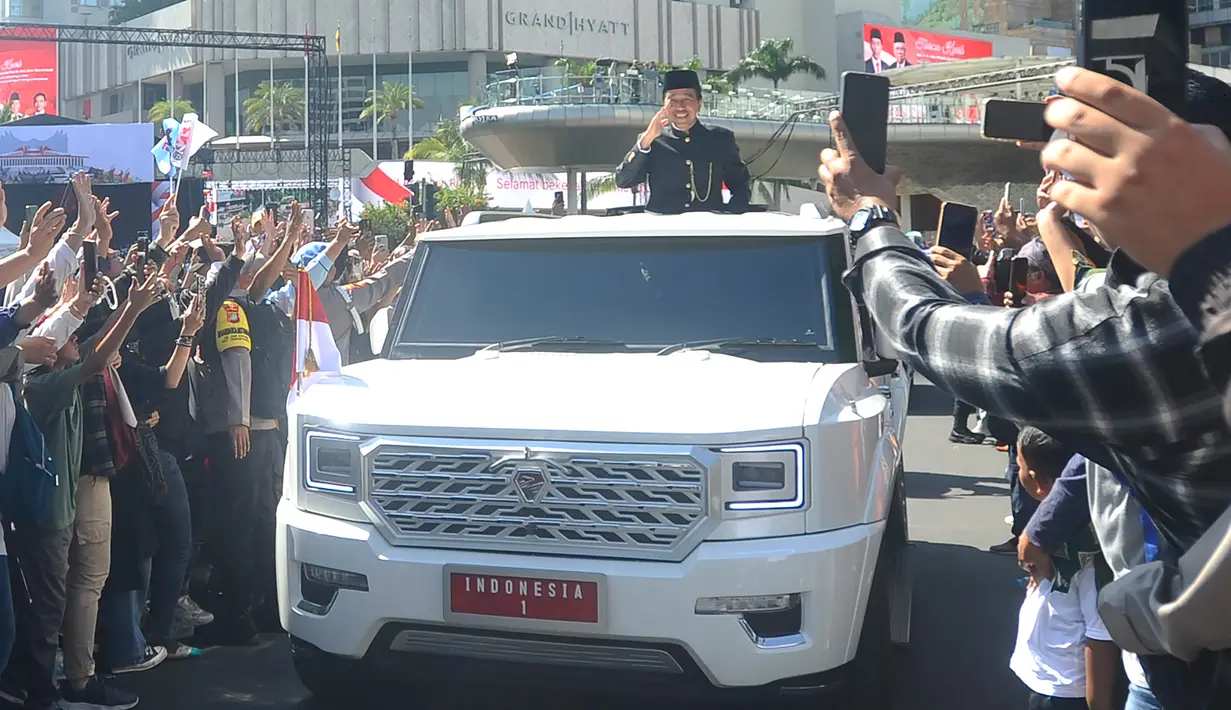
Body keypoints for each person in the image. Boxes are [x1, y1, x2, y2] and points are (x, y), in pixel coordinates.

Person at [817, 65, 1231, 708]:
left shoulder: (1141, 330)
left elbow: (921, 326)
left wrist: (869, 217)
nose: (1072, 181)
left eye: (1094, 156)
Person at [1010, 428, 1117, 710]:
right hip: (1045, 677)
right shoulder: (1050, 537)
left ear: (1034, 480)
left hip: (1069, 691)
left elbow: (1101, 636)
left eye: (1019, 465)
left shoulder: (1089, 554)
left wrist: (1098, 704)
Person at [613, 69, 751, 214]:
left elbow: (740, 184)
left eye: (687, 99)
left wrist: (731, 214)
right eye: (672, 100)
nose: (680, 106)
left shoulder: (720, 138)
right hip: (664, 231)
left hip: (708, 230)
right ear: (664, 106)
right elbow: (623, 181)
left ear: (699, 104)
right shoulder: (652, 140)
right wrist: (646, 139)